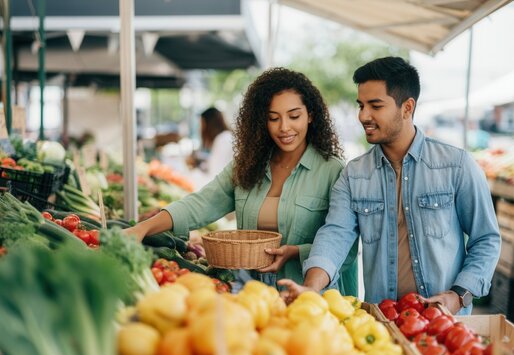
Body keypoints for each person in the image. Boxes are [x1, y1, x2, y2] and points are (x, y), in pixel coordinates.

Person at [279, 56, 500, 315]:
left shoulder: (456, 165)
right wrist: (312, 287)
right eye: (361, 105)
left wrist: (458, 295)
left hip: (445, 326)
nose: (363, 115)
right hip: (381, 322)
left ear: (407, 108)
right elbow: (335, 234)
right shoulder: (354, 174)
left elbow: (485, 239)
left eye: (375, 105)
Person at [125, 67, 359, 294]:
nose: (284, 127)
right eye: (273, 118)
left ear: (311, 115)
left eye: (294, 116)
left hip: (306, 298)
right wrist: (142, 228)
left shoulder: (332, 170)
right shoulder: (248, 165)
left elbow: (344, 246)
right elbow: (201, 203)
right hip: (251, 296)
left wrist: (296, 251)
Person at [187, 107, 233, 188]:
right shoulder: (224, 137)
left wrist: (194, 171)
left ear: (209, 124)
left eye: (202, 124)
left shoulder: (224, 140)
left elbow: (216, 179)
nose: (200, 128)